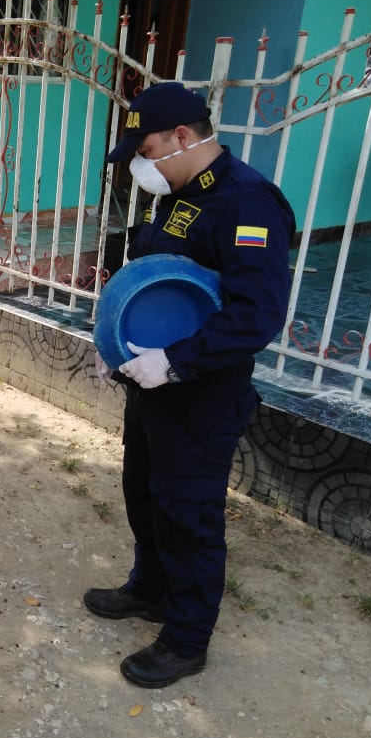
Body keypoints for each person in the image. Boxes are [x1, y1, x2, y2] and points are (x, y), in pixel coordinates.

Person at [85, 81, 295, 688]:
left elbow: (255, 314)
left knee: (188, 515)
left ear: (181, 136)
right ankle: (150, 589)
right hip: (151, 385)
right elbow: (155, 282)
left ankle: (185, 639)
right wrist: (114, 345)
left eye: (144, 150)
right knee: (143, 492)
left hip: (200, 393)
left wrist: (176, 362)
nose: (139, 165)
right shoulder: (181, 194)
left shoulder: (247, 204)